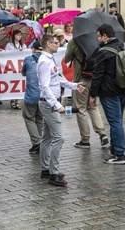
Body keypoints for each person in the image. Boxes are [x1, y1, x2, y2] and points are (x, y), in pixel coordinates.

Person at [37, 33, 85, 186]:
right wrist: (57, 105)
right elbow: (44, 86)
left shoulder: (50, 59)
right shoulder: (44, 61)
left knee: (47, 138)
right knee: (59, 137)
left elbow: (57, 79)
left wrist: (74, 86)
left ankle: (46, 169)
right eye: (55, 42)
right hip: (49, 104)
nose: (58, 44)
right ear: (47, 44)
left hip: (49, 103)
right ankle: (54, 173)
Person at [90, 24, 125, 165]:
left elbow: (97, 76)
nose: (98, 39)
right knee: (118, 120)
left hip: (109, 92)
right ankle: (114, 150)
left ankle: (120, 154)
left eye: (99, 36)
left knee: (115, 122)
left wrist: (93, 95)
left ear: (105, 35)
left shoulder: (103, 52)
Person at [65, 39, 109, 149]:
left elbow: (66, 59)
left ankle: (85, 139)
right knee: (93, 107)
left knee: (81, 109)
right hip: (94, 79)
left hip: (80, 80)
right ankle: (102, 133)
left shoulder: (74, 42)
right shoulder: (96, 41)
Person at [21, 41, 43, 154]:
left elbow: (23, 73)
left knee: (29, 117)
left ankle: (36, 142)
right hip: (44, 95)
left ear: (33, 49)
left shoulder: (28, 59)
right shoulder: (48, 59)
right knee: (40, 118)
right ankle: (42, 142)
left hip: (32, 95)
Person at [6, 30, 25, 110]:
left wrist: (22, 51)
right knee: (13, 83)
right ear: (14, 36)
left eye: (20, 35)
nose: (19, 36)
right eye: (17, 35)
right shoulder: (9, 45)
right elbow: (7, 53)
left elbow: (25, 54)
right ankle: (12, 100)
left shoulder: (23, 45)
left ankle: (16, 101)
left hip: (19, 67)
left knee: (19, 83)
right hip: (12, 67)